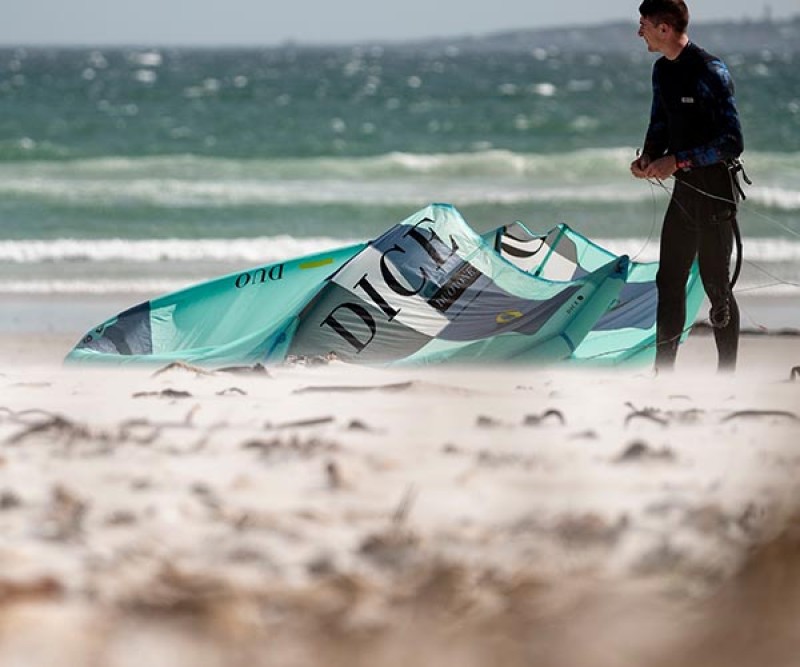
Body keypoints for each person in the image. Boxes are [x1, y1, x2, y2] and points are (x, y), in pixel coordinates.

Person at [630, 0, 744, 372]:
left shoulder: (710, 70)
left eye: (643, 24)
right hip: (684, 193)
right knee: (669, 280)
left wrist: (677, 161)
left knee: (717, 287)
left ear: (664, 28)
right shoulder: (662, 71)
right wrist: (649, 157)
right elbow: (660, 122)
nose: (639, 31)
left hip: (715, 192)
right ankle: (664, 375)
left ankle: (726, 377)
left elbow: (732, 141)